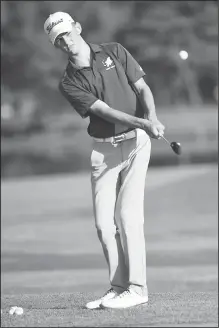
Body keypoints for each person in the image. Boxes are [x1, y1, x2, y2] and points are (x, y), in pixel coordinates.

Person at [44, 11, 165, 310]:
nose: (66, 40)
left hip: (137, 145)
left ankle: (138, 289)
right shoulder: (69, 81)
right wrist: (141, 121)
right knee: (102, 225)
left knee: (127, 215)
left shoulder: (114, 51)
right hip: (104, 152)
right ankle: (119, 287)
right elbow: (105, 112)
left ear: (78, 27)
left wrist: (151, 118)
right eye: (58, 39)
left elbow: (142, 87)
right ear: (56, 45)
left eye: (67, 32)